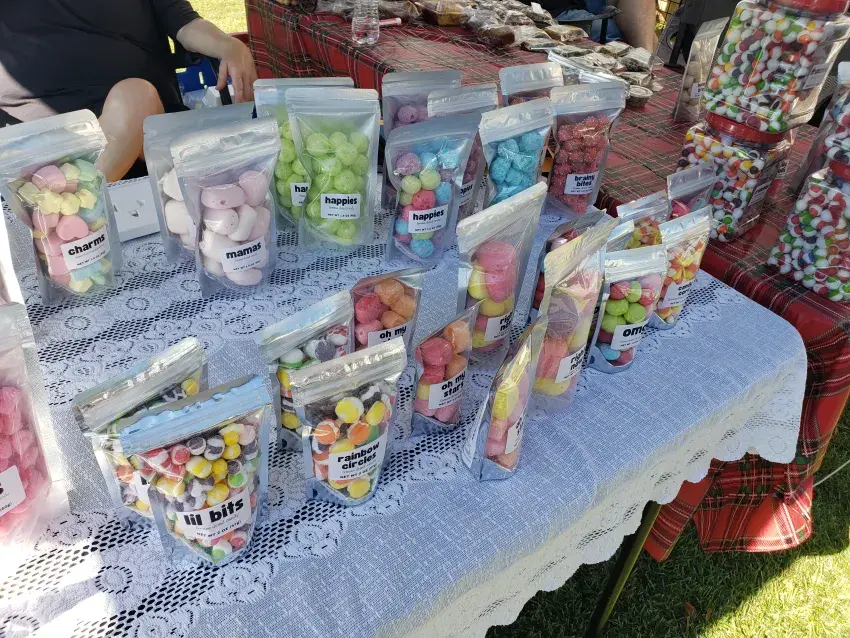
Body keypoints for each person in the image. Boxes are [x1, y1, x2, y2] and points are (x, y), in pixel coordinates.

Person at [0, 1, 258, 181]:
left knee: (135, 100)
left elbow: (185, 22)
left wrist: (229, 46)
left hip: (143, 131)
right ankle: (73, 206)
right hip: (37, 139)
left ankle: (70, 209)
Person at [553, 0, 658, 51]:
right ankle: (644, 58)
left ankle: (645, 56)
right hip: (559, 9)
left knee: (641, 27)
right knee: (610, 29)